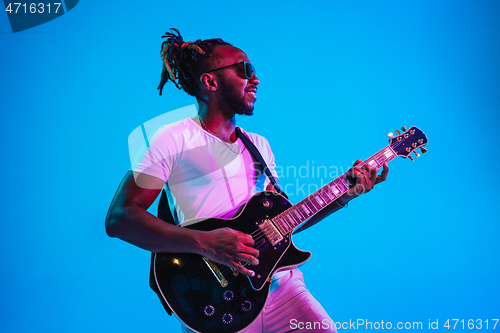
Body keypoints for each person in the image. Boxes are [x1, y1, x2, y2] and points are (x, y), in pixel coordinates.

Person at [105, 28, 389, 333]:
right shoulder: (173, 138)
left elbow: (283, 223)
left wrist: (348, 192)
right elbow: (120, 217)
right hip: (217, 299)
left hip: (283, 290)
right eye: (244, 70)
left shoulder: (259, 146)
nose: (255, 79)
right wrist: (206, 244)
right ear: (210, 81)